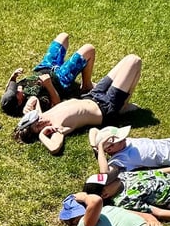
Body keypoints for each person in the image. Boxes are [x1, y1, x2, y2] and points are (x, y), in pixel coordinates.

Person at [13, 54, 142, 153]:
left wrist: (29, 104)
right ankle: (121, 106)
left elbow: (34, 100)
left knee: (128, 59)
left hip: (92, 95)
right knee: (134, 61)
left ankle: (123, 105)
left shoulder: (42, 115)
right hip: (106, 106)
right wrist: (43, 136)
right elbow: (54, 148)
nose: (40, 122)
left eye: (36, 120)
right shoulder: (57, 128)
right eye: (37, 127)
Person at [0, 33, 95, 116]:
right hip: (60, 79)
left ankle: (61, 64)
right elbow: (56, 103)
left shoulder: (16, 91)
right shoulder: (33, 102)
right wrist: (48, 84)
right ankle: (86, 86)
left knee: (63, 37)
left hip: (44, 67)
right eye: (16, 91)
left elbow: (9, 87)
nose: (17, 87)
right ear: (20, 102)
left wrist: (13, 77)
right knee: (89, 49)